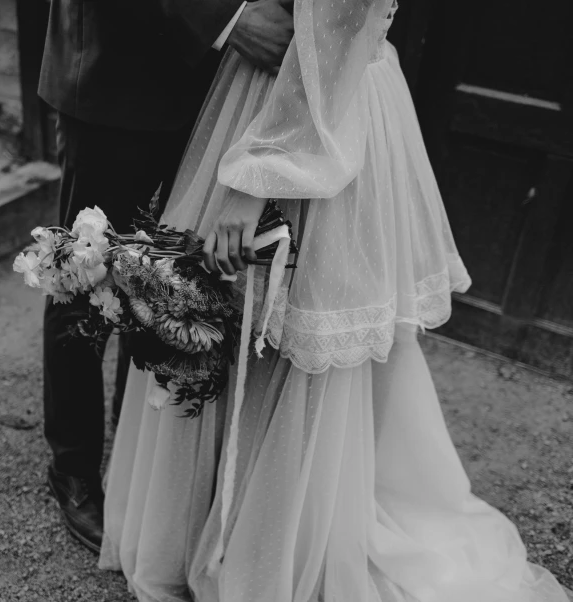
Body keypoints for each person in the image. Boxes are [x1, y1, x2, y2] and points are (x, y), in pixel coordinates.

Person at [99, 0, 570, 601]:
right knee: (240, 320)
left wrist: (257, 182)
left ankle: (276, 549)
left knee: (291, 329)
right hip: (269, 92)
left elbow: (339, 28)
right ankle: (226, 528)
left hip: (315, 113)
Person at [37, 0, 295, 554]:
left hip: (216, 91)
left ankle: (136, 455)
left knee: (165, 276)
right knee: (86, 274)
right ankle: (73, 467)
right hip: (119, 77)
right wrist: (229, 17)